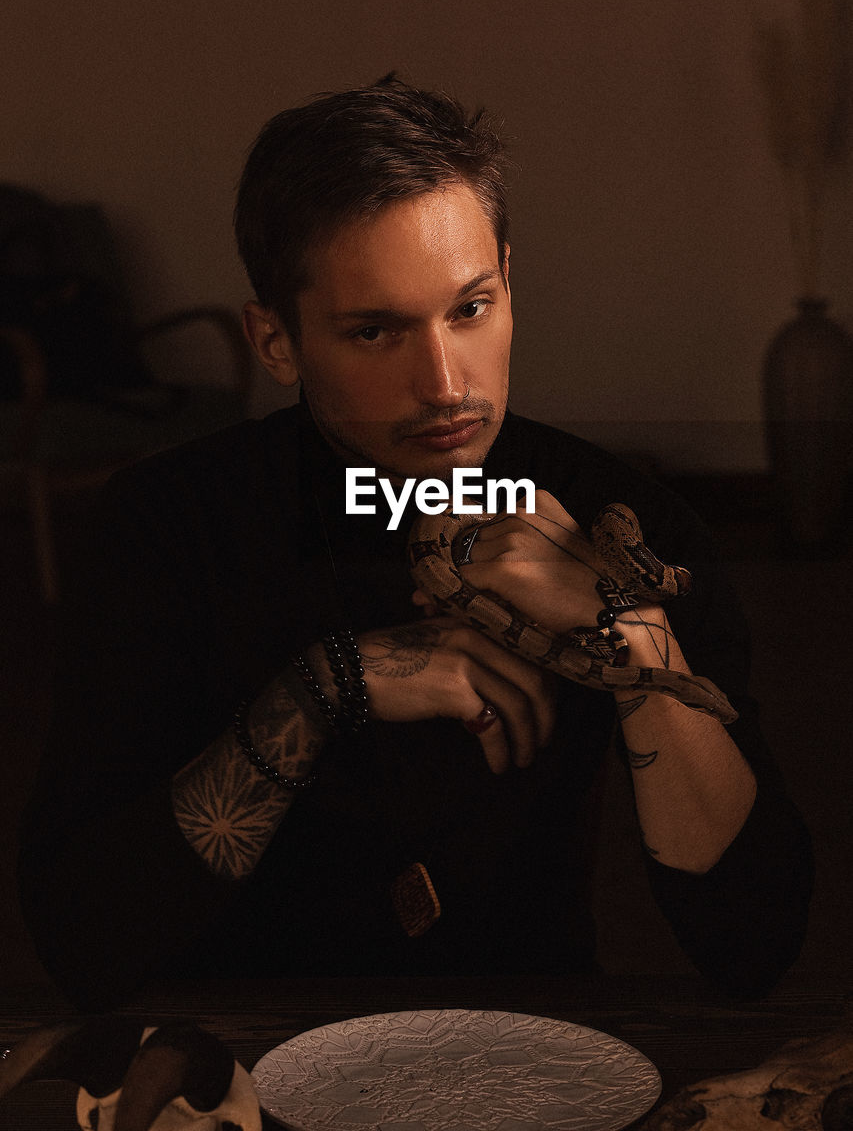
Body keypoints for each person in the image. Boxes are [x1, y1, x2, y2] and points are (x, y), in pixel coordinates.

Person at [18, 77, 812, 1009]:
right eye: (374, 331)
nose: (444, 385)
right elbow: (82, 940)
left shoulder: (622, 522)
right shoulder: (162, 525)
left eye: (469, 310)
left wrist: (630, 634)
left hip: (524, 1038)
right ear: (276, 341)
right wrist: (321, 691)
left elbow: (754, 944)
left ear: (509, 281)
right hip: (242, 1050)